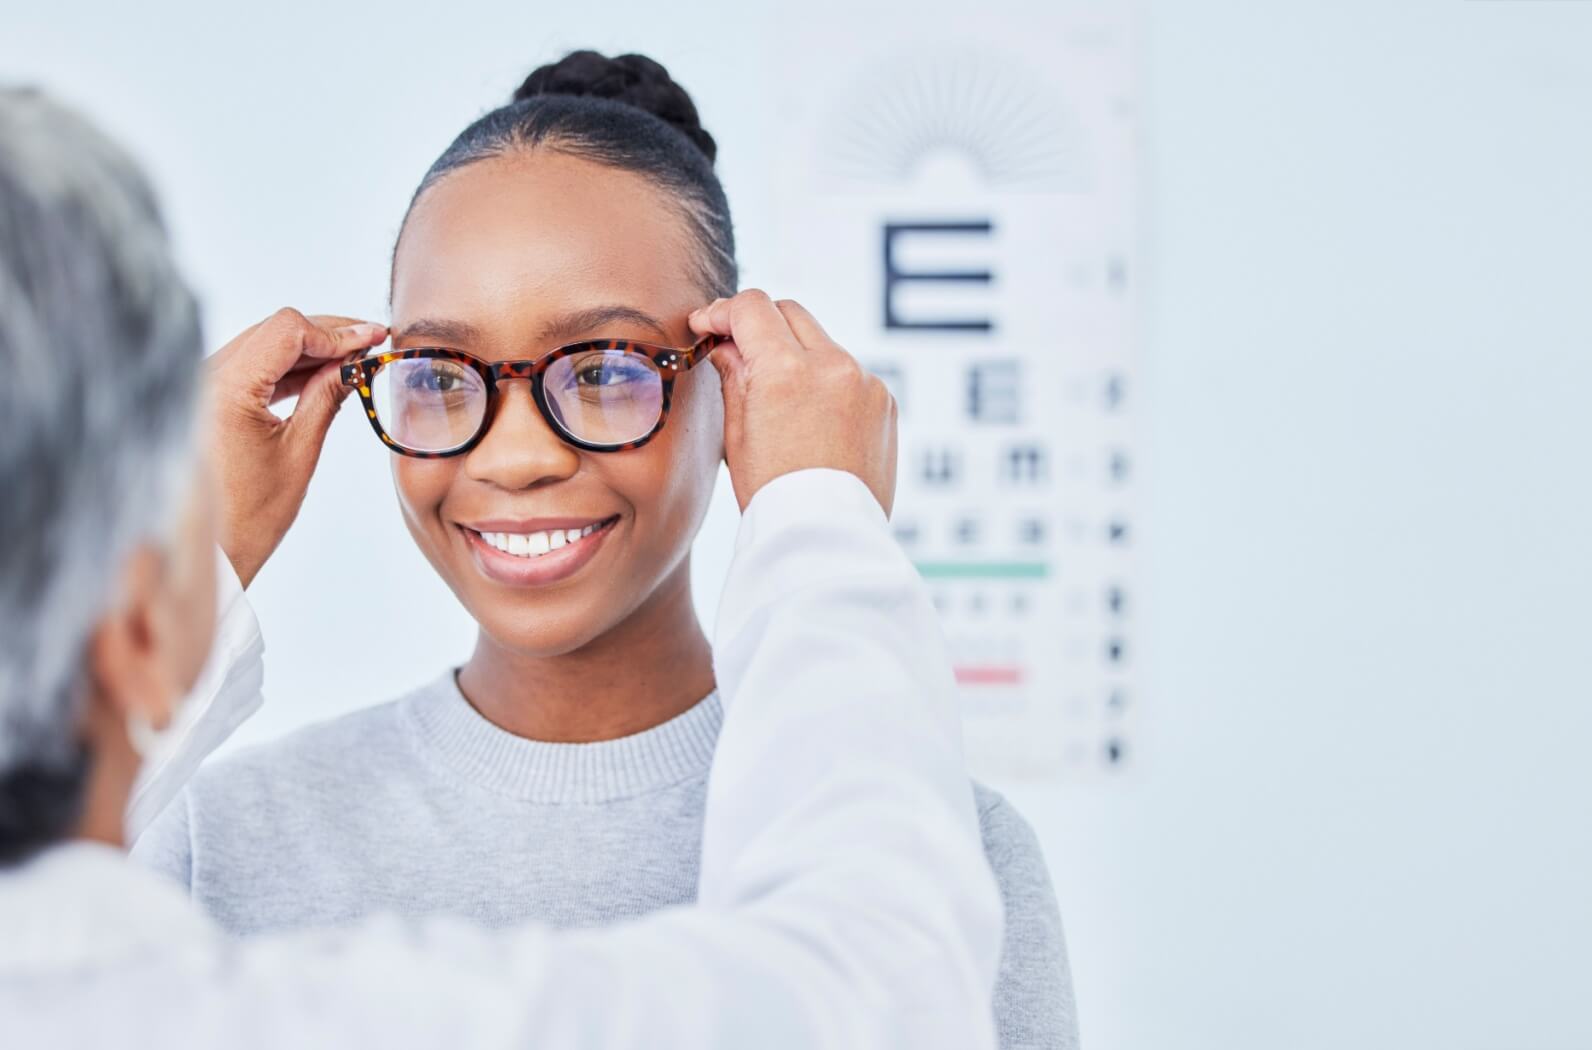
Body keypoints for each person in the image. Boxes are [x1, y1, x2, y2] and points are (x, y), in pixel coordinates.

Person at [0, 87, 1003, 1047]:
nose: (516, 456)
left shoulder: (974, 850)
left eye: (606, 368)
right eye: (438, 375)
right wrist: (819, 513)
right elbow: (887, 990)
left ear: (736, 388)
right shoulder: (208, 836)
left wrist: (172, 571)